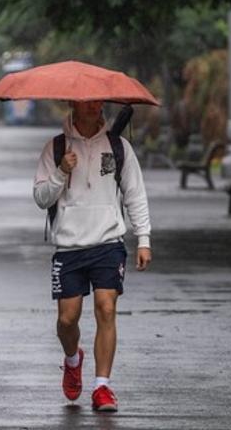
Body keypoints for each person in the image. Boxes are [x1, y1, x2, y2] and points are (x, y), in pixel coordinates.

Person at [33, 100, 152, 412]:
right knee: (67, 319)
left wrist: (143, 239)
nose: (94, 107)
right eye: (87, 103)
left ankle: (103, 387)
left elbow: (135, 193)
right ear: (74, 105)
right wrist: (61, 171)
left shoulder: (118, 146)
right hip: (69, 247)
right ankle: (73, 359)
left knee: (106, 309)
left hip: (108, 243)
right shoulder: (56, 148)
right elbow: (40, 198)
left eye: (99, 102)